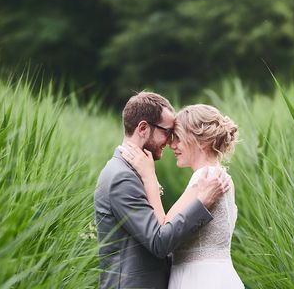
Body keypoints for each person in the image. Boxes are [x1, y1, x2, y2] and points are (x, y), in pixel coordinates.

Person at [94, 92, 231, 289]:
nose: (169, 142)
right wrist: (202, 204)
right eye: (167, 132)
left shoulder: (132, 171)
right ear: (143, 128)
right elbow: (159, 242)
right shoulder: (121, 177)